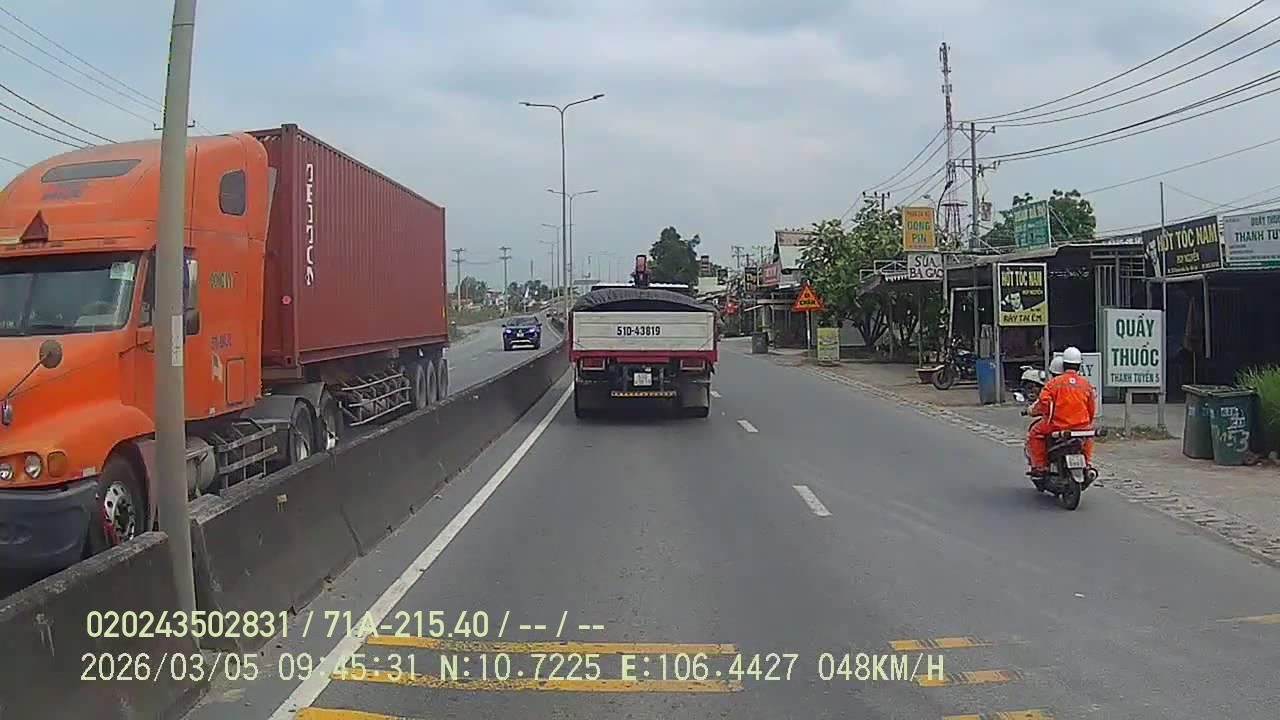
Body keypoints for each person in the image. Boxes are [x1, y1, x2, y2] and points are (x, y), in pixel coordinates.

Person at [1026, 347, 1096, 473]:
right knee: (1088, 436)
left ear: (1063, 365)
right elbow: (1091, 408)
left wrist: (1032, 411)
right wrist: (1087, 423)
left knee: (1034, 433)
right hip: (1081, 426)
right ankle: (1087, 463)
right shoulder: (1085, 384)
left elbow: (1044, 403)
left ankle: (1040, 466)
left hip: (1057, 425)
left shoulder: (1054, 384)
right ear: (1079, 366)